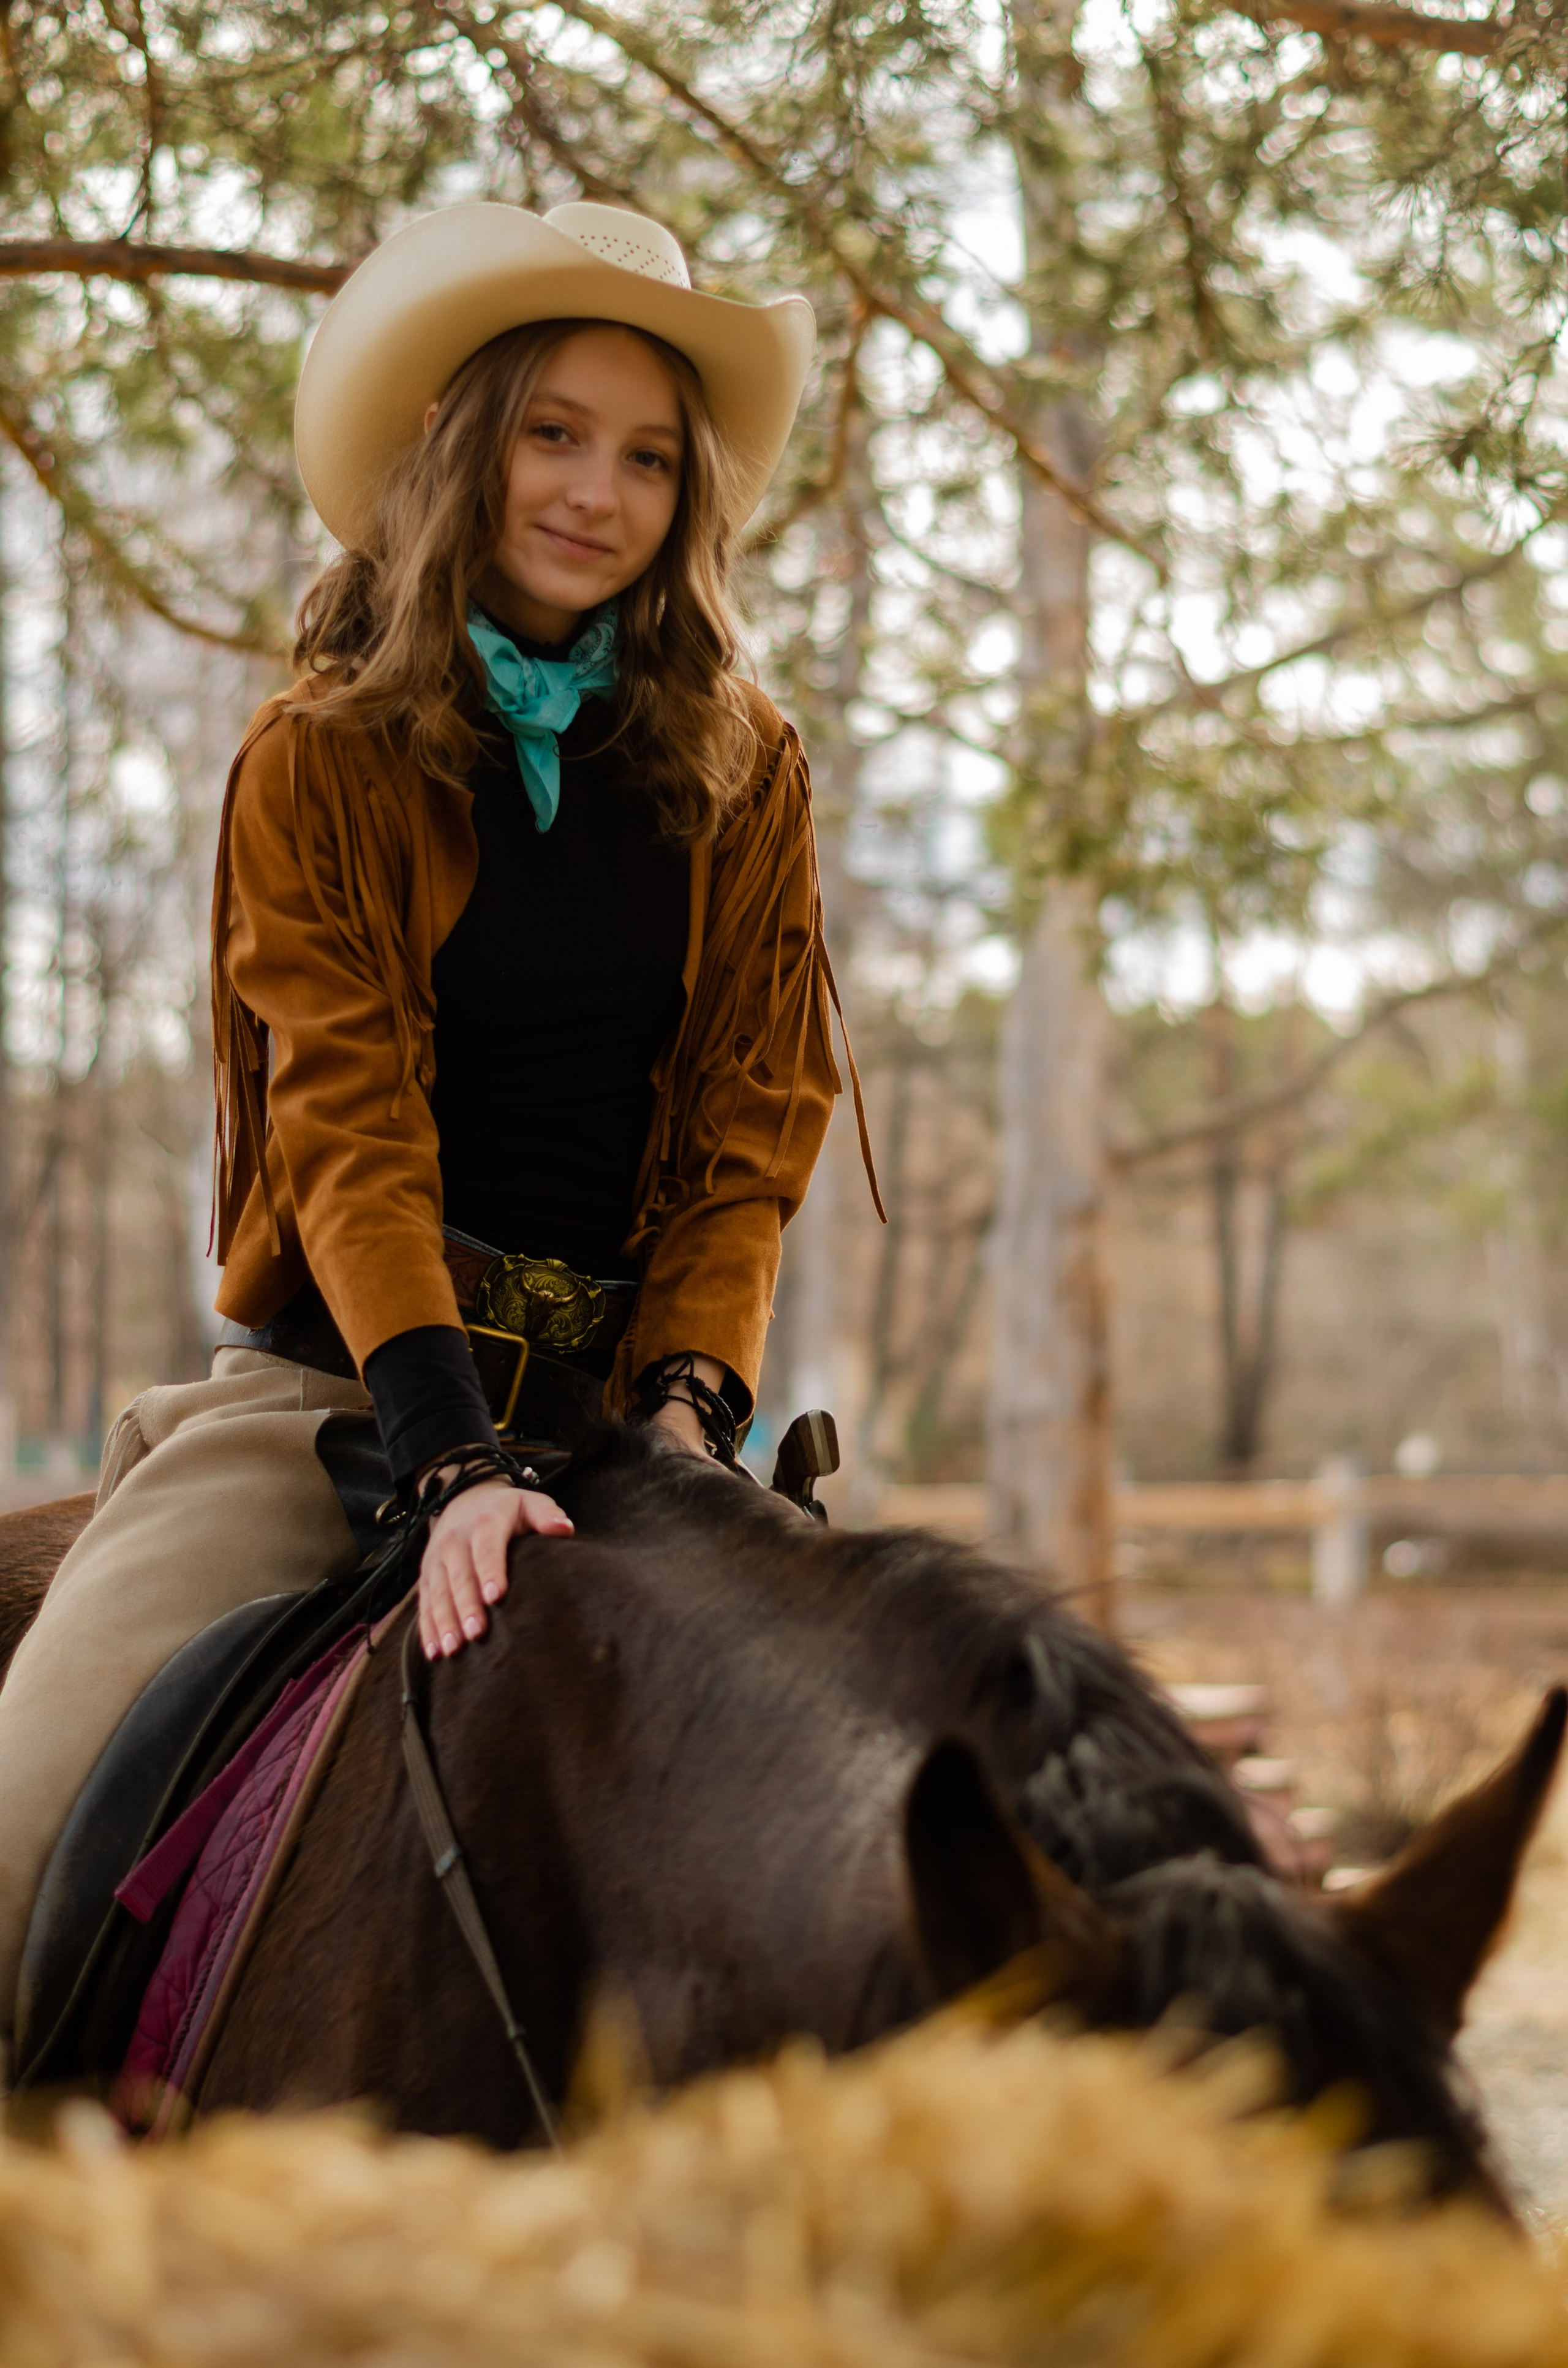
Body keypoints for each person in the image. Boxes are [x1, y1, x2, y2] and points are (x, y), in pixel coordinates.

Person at [0, 199, 877, 2033]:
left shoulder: (748, 766)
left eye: (649, 456)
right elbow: (349, 1120)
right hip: (340, 1396)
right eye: (555, 431)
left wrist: (685, 1412)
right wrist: (450, 1455)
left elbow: (747, 1129)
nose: (599, 490)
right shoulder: (317, 755)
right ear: (458, 445)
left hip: (631, 1422)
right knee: (17, 1825)